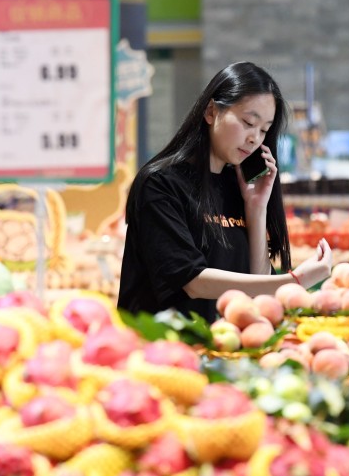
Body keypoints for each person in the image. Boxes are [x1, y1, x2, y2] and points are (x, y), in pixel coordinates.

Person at [118, 61, 333, 322]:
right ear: (211, 111)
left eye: (264, 130)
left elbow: (257, 286)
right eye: (248, 122)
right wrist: (294, 281)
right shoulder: (160, 184)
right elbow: (193, 281)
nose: (255, 138)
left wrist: (256, 209)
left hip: (227, 344)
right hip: (166, 344)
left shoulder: (239, 186)